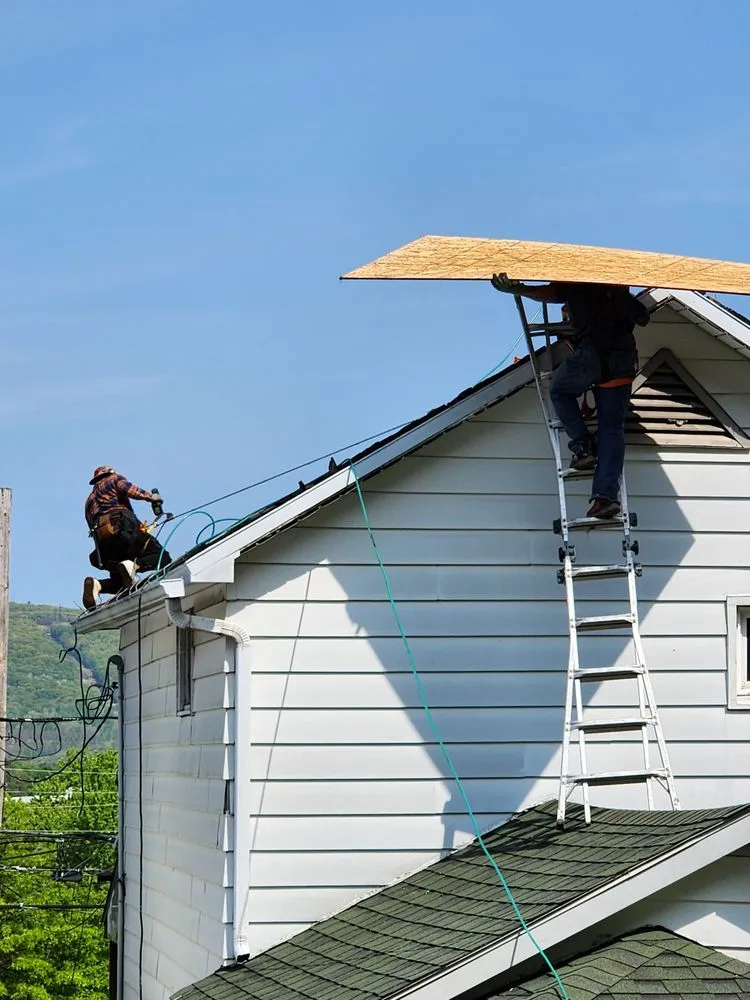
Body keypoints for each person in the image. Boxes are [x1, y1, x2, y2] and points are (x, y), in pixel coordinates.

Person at [491, 275, 650, 519]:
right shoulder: (618, 290)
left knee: (559, 391)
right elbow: (643, 317)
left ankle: (583, 447)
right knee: (611, 430)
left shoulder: (579, 281)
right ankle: (605, 498)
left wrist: (520, 289)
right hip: (622, 361)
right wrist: (619, 295)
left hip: (595, 355)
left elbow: (550, 293)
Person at [82, 466, 172, 610]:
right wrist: (152, 497)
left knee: (121, 583)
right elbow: (129, 489)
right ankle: (134, 565)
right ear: (109, 473)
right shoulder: (113, 479)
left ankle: (97, 585)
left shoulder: (88, 502)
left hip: (104, 547)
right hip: (123, 530)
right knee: (163, 557)